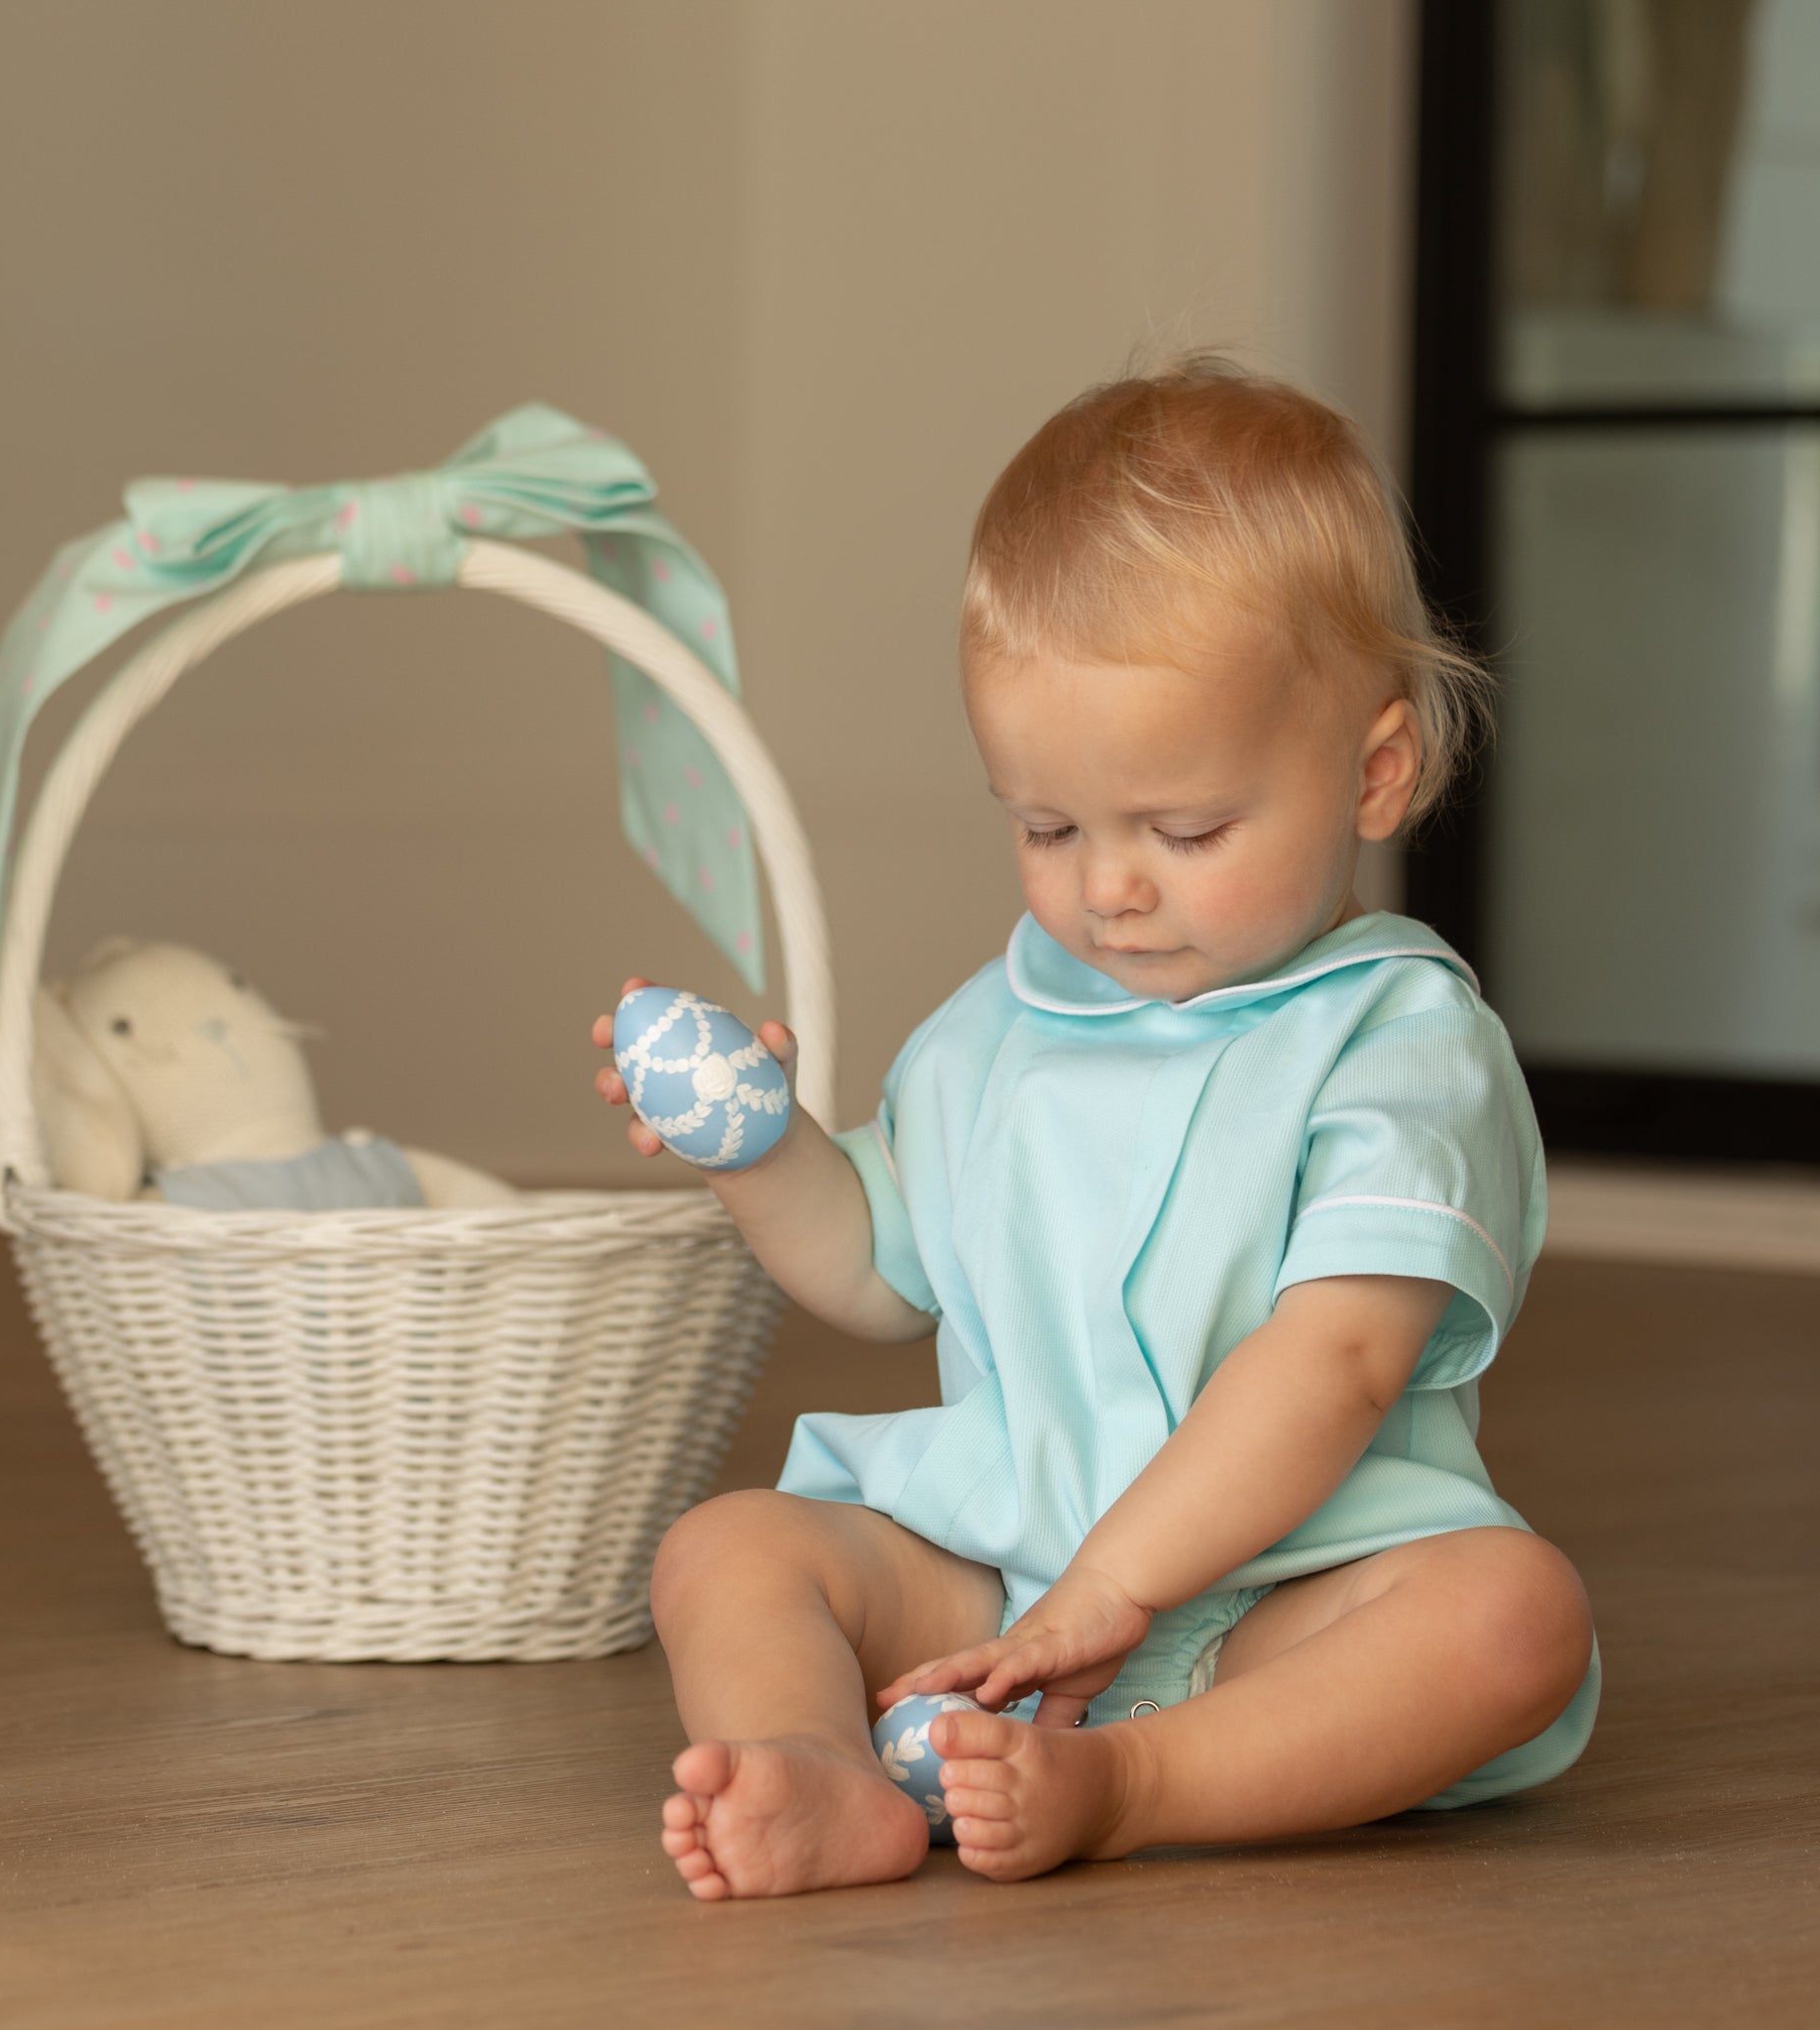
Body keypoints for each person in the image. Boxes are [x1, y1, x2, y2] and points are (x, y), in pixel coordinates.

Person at [590, 357, 1599, 1900]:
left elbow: (1335, 1359)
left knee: (1513, 1617)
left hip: (1291, 1597)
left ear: (1374, 773)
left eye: (1186, 832)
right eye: (1047, 828)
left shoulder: (1402, 1045)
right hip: (1002, 1573)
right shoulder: (1001, 1028)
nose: (1109, 889)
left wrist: (1120, 1592)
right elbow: (875, 1274)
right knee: (725, 1552)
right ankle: (821, 1767)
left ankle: (1133, 1778)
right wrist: (763, 1152)